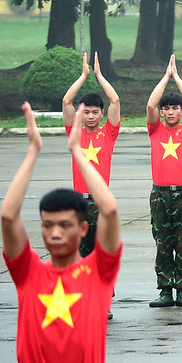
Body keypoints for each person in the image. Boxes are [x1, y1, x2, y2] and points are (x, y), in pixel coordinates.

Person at [3, 104, 122, 363]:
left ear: (83, 229)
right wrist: (33, 151)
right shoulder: (28, 273)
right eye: (48, 225)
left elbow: (109, 209)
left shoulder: (98, 272)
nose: (55, 233)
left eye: (65, 225)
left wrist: (76, 152)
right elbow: (8, 216)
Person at [146, 54, 182, 308]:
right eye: (166, 108)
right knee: (162, 243)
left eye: (174, 108)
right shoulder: (155, 129)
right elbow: (150, 106)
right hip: (160, 195)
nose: (170, 112)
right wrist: (164, 77)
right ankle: (165, 290)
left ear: (181, 111)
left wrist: (176, 77)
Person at [61, 51, 121, 258]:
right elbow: (66, 102)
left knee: (102, 255)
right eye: (86, 112)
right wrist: (83, 76)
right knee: (80, 255)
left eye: (95, 112)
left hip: (101, 202)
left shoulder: (108, 134)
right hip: (79, 203)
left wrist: (99, 75)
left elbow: (115, 100)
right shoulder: (75, 133)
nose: (91, 116)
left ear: (102, 113)